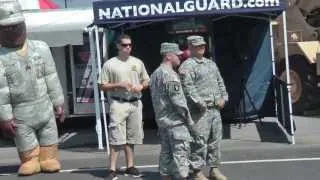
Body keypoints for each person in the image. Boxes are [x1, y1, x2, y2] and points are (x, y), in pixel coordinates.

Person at [0, 0, 64, 176]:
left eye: (17, 25)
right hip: (21, 112)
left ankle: (48, 157)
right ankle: (30, 159)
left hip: (44, 105)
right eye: (8, 27)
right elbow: (1, 91)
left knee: (49, 133)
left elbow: (51, 76)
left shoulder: (41, 48)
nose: (14, 30)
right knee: (25, 138)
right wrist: (5, 117)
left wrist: (58, 101)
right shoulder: (1, 57)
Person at [98, 34, 150, 180]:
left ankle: (130, 166)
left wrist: (141, 86)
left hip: (135, 103)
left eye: (130, 45)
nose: (128, 47)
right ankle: (112, 169)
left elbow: (146, 80)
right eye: (125, 45)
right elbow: (102, 85)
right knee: (116, 138)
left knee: (132, 137)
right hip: (118, 103)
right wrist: (118, 85)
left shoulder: (137, 62)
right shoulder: (110, 64)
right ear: (118, 46)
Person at [178, 36, 228, 180]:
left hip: (215, 110)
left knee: (215, 140)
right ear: (191, 48)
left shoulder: (210, 64)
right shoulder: (187, 66)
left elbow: (220, 82)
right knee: (199, 141)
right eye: (198, 45)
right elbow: (188, 88)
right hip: (199, 111)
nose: (202, 47)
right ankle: (196, 172)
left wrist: (224, 98)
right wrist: (199, 102)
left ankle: (214, 170)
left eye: (203, 45)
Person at [150, 42, 196, 180]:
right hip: (176, 122)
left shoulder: (155, 74)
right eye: (177, 55)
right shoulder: (169, 75)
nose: (180, 58)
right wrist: (189, 120)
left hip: (162, 121)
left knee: (166, 152)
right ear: (168, 56)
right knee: (181, 152)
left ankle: (166, 177)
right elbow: (178, 101)